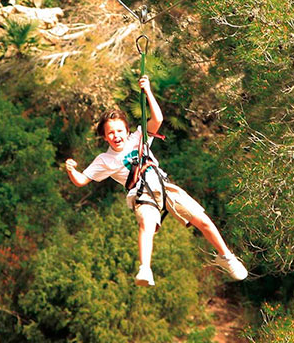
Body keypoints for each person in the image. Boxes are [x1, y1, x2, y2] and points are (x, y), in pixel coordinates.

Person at [64, 76, 248, 287]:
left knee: (203, 220)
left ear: (126, 130)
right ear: (105, 137)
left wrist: (148, 91)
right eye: (110, 133)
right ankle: (145, 269)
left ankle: (226, 257)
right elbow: (81, 181)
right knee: (147, 224)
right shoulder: (104, 160)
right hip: (141, 195)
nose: (116, 136)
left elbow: (157, 119)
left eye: (119, 131)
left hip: (163, 185)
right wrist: (71, 170)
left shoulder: (138, 138)